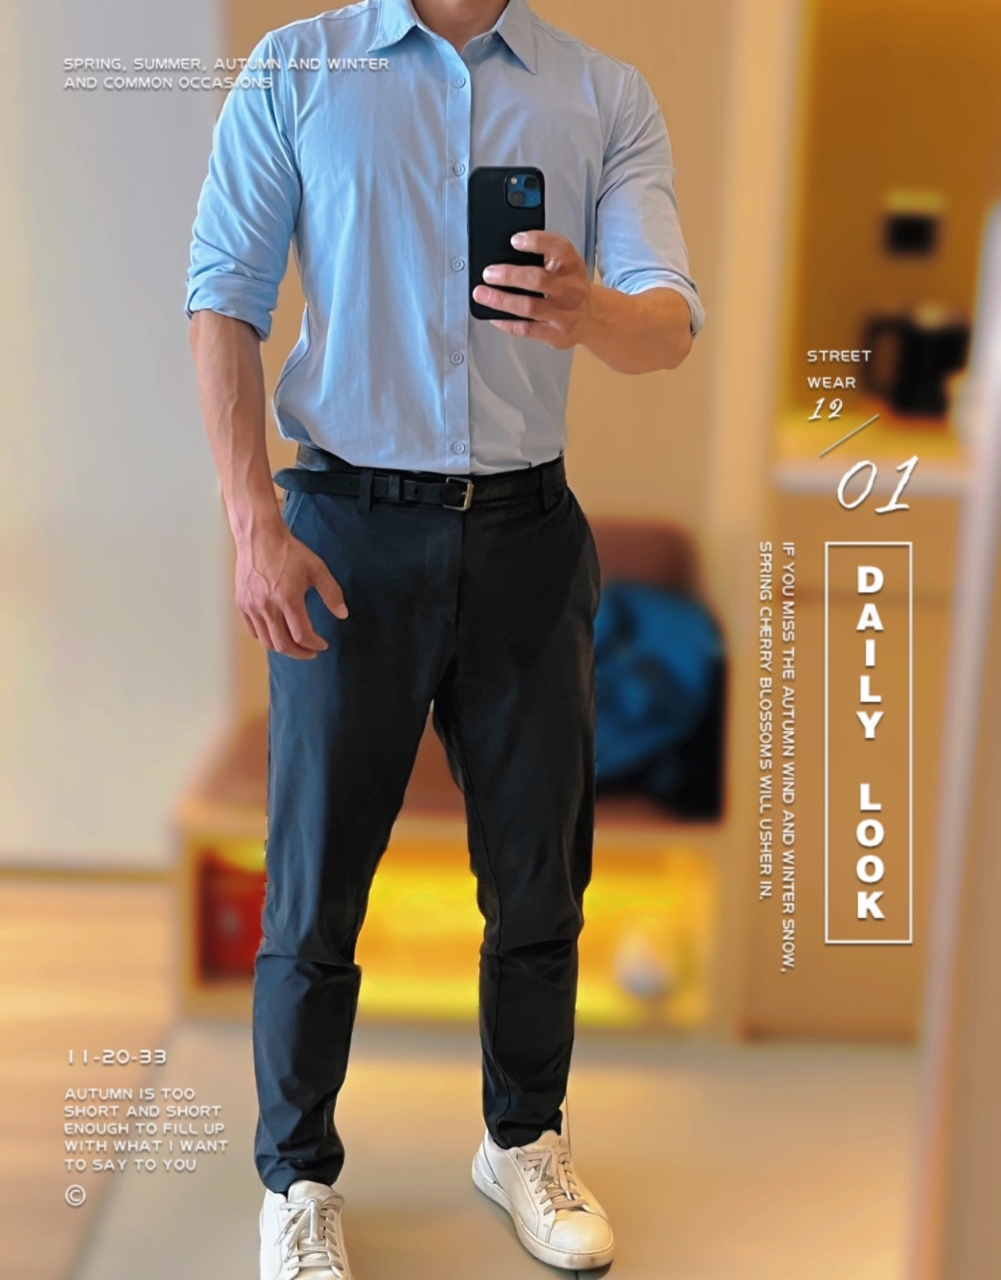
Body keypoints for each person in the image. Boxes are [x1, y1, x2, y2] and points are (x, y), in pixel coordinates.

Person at [186, 0, 702, 1275]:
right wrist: (253, 523)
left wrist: (584, 308)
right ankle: (297, 1175)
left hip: (528, 535)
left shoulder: (603, 95)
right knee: (314, 883)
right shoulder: (296, 68)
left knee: (539, 877)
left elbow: (667, 325)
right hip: (344, 528)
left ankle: (522, 1137)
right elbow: (223, 298)